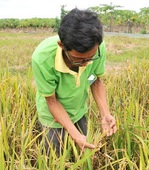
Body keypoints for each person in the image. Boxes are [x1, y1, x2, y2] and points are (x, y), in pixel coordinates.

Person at [32, 8, 117, 156]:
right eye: (78, 59)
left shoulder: (97, 48)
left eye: (89, 58)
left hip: (79, 111)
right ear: (62, 46)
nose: (85, 64)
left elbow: (95, 80)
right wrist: (75, 134)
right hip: (52, 118)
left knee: (82, 155)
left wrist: (105, 114)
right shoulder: (42, 59)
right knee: (55, 158)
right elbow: (51, 100)